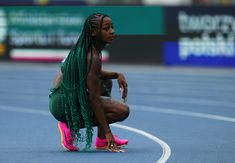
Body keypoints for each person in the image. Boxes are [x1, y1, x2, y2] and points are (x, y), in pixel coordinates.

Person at [49, 13, 130, 152]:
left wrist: (117, 75)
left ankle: (101, 139)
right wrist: (109, 132)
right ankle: (70, 125)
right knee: (122, 111)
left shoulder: (88, 47)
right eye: (106, 28)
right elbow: (94, 98)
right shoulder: (91, 55)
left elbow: (94, 72)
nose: (112, 31)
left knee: (106, 81)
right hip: (62, 102)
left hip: (60, 95)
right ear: (93, 32)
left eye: (112, 27)